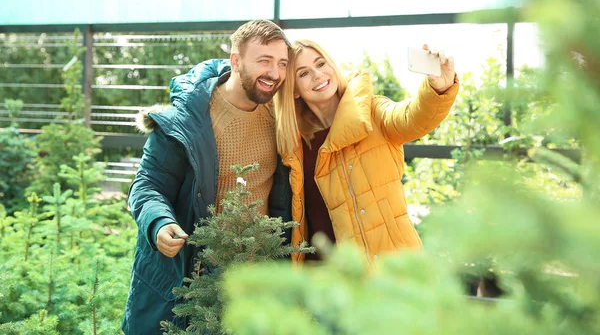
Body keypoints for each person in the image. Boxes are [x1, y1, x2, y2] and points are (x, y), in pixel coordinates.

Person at [122, 19, 293, 334]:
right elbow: (148, 184)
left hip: (256, 280)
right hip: (195, 275)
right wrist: (158, 221)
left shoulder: (281, 115)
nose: (275, 72)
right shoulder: (187, 121)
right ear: (236, 61)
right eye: (264, 61)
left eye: (282, 63)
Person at [274, 39, 459, 264]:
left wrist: (438, 88)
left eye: (321, 64)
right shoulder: (294, 144)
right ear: (293, 90)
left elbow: (412, 116)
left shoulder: (373, 112)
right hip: (324, 278)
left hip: (390, 270)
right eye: (303, 73)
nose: (317, 75)